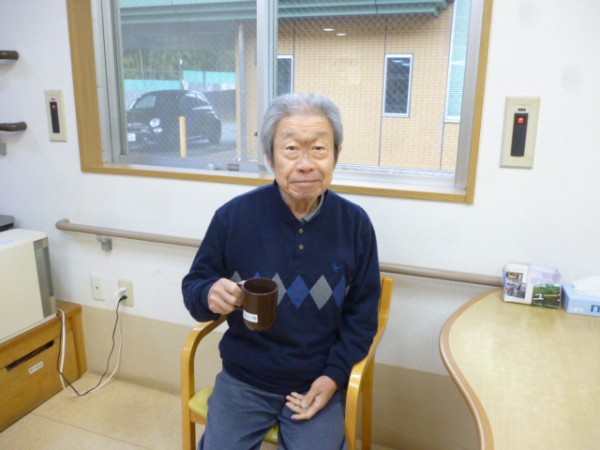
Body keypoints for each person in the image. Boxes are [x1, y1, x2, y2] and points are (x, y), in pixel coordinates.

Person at [182, 92, 381, 450]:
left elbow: (363, 316)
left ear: (336, 155)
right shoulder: (233, 217)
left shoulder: (355, 225)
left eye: (318, 149)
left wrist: (333, 377)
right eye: (291, 149)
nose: (305, 164)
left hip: (315, 381)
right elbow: (194, 285)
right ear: (270, 158)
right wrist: (209, 293)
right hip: (244, 380)